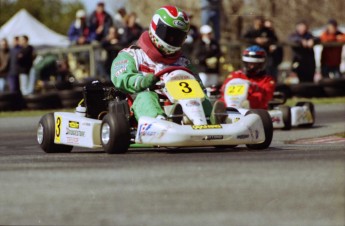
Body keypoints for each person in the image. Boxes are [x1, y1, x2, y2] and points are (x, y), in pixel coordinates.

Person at [111, 5, 221, 123]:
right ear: (156, 27)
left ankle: (213, 121)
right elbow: (120, 77)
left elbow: (199, 87)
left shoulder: (183, 62)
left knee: (200, 98)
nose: (172, 39)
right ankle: (160, 122)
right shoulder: (132, 54)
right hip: (141, 110)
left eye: (178, 36)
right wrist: (141, 81)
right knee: (146, 96)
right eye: (169, 34)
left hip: (178, 104)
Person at [220, 45, 275, 109]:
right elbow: (223, 89)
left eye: (255, 64)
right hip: (232, 104)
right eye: (249, 64)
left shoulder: (267, 80)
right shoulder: (235, 75)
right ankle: (221, 110)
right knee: (223, 98)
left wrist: (256, 87)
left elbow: (268, 95)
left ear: (261, 65)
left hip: (255, 110)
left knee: (255, 98)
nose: (251, 67)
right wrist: (224, 88)